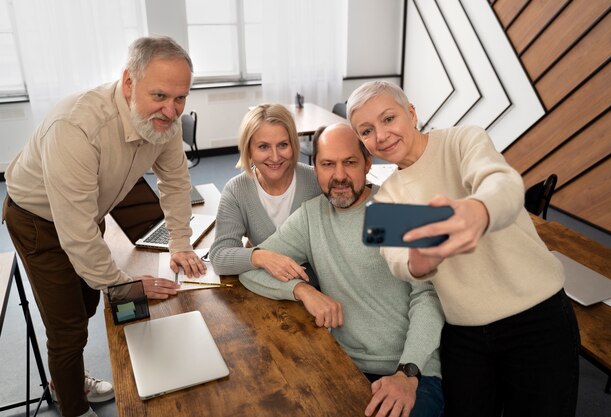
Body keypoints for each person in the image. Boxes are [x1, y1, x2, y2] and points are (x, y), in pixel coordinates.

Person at [347, 80, 580, 417]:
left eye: (388, 119)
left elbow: (503, 184)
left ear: (411, 113)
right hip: (464, 333)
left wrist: (479, 211)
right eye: (366, 131)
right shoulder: (386, 198)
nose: (381, 136)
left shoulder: (463, 140)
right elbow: (396, 260)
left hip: (536, 318)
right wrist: (419, 261)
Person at [2, 36, 207, 417]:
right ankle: (73, 406)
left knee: (88, 301)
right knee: (68, 328)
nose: (171, 110)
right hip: (37, 221)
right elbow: (76, 234)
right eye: (160, 95)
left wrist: (180, 242)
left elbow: (176, 182)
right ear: (128, 82)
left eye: (181, 98)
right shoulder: (76, 128)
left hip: (87, 210)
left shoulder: (165, 120)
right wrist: (126, 286)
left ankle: (68, 380)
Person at [240, 123, 445, 417]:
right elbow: (252, 268)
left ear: (367, 164)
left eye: (349, 163)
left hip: (410, 371)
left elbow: (428, 297)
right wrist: (302, 290)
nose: (338, 176)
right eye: (327, 164)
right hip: (343, 364)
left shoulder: (392, 209)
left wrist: (407, 373)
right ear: (315, 168)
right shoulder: (312, 217)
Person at [209, 104, 321, 282]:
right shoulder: (236, 190)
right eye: (263, 147)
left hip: (314, 282)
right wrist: (261, 257)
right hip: (264, 284)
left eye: (283, 145)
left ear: (293, 145)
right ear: (249, 151)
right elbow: (219, 257)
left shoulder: (316, 181)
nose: (275, 157)